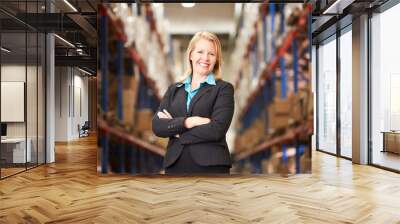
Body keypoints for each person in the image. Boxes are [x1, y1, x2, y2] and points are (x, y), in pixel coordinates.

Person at [152, 31, 235, 175]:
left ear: (217, 59)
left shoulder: (223, 89)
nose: (205, 58)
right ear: (191, 55)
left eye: (211, 54)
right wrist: (189, 122)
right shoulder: (174, 90)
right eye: (200, 52)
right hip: (175, 165)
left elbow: (217, 129)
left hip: (211, 167)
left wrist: (178, 133)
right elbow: (158, 126)